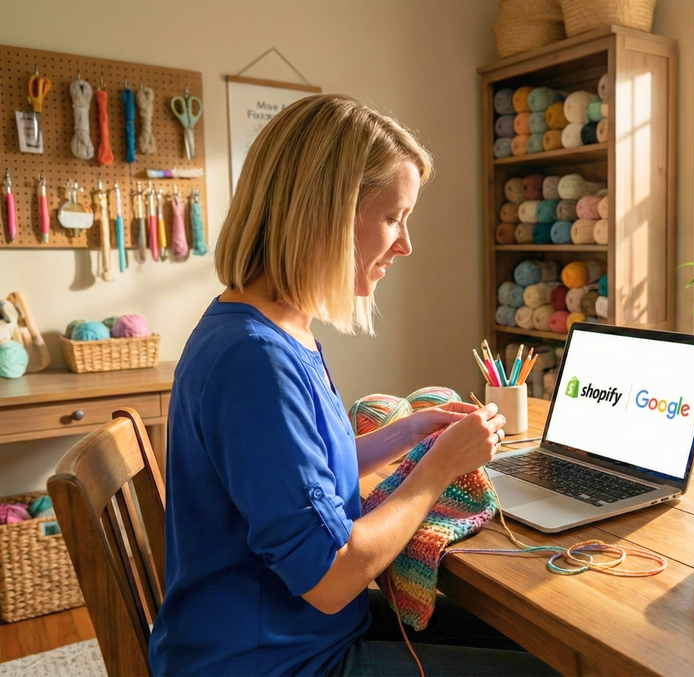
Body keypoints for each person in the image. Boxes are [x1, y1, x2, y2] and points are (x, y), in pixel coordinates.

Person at [148, 94, 557, 677]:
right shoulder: (255, 360)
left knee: (531, 640)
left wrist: (408, 432)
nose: (405, 244)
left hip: (283, 634)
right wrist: (436, 467)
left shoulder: (272, 325)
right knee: (550, 664)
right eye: (394, 218)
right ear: (327, 212)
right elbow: (332, 579)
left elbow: (296, 476)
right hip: (271, 660)